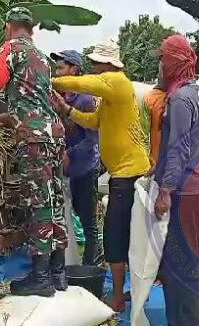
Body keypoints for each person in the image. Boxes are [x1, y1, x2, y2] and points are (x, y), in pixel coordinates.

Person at [0, 7, 67, 297]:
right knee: (54, 199)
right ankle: (58, 273)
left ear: (10, 26)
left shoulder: (12, 49)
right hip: (53, 137)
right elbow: (28, 108)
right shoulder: (43, 60)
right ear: (31, 28)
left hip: (33, 141)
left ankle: (40, 278)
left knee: (37, 203)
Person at [51, 40, 150, 312]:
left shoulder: (116, 81)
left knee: (114, 236)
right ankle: (132, 290)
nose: (93, 67)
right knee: (129, 234)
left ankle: (118, 298)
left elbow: (82, 84)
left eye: (95, 63)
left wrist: (46, 80)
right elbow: (94, 121)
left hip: (129, 174)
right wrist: (67, 110)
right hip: (125, 173)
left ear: (107, 64)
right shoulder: (109, 95)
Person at [151, 35, 199, 325]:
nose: (160, 64)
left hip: (184, 189)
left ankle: (187, 318)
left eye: (163, 58)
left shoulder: (179, 100)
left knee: (180, 260)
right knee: (197, 246)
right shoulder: (191, 92)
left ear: (173, 62)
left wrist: (165, 190)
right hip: (198, 181)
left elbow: (178, 148)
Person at [50, 49, 101, 266]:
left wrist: (68, 153)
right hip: (67, 166)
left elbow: (92, 139)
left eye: (61, 67)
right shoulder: (57, 97)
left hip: (85, 166)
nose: (57, 72)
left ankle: (92, 263)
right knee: (72, 213)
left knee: (86, 217)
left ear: (74, 69)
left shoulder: (85, 100)